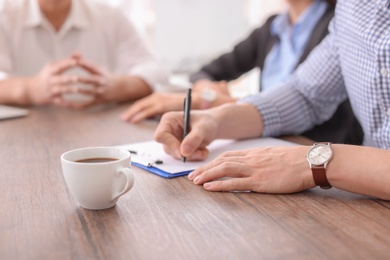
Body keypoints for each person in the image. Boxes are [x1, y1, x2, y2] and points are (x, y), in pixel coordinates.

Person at [153, 0, 390, 201]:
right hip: (368, 203)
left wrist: (315, 163)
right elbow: (305, 94)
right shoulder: (354, 7)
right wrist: (215, 119)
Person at [121, 0, 362, 145]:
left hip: (315, 148)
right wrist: (206, 92)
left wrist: (209, 103)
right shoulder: (272, 27)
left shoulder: (342, 23)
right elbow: (208, 71)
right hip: (268, 141)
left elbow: (318, 111)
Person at [0, 0, 168, 109]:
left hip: (99, 129)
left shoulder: (110, 15)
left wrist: (118, 86)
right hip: (25, 134)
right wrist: (30, 89)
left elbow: (157, 71)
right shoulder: (5, 16)